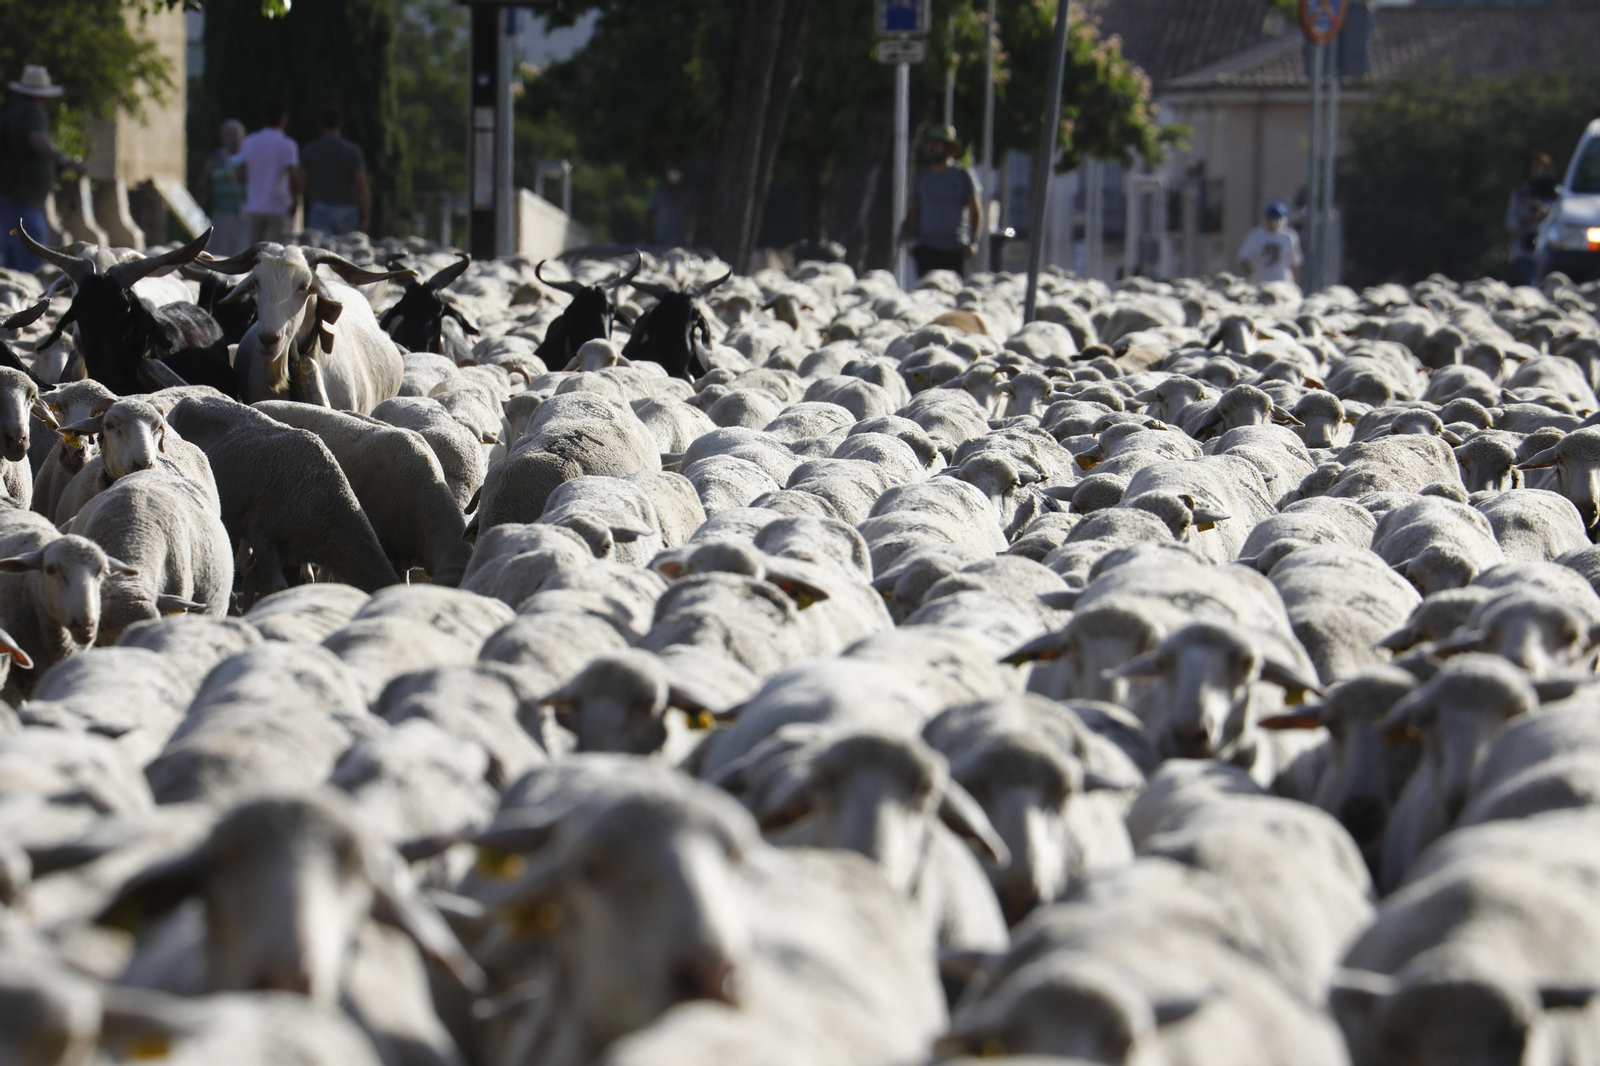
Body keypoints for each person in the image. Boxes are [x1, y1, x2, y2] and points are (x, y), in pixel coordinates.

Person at [0, 66, 80, 272]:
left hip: (9, 195)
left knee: (10, 261)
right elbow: (37, 140)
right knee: (32, 259)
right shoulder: (32, 112)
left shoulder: (10, 109)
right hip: (25, 198)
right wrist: (64, 160)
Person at [898, 125, 981, 279]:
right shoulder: (921, 177)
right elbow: (913, 211)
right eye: (930, 143)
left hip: (955, 249)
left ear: (948, 148)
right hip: (926, 248)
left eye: (937, 144)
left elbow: (975, 211)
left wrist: (973, 242)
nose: (932, 148)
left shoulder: (963, 176)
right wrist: (903, 232)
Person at [236, 102, 302, 245]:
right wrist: (295, 200)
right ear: (283, 120)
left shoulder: (249, 141)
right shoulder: (288, 144)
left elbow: (240, 174)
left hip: (254, 205)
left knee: (253, 252)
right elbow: (293, 176)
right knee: (275, 252)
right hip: (278, 206)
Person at [301, 107, 369, 236]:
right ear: (341, 124)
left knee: (321, 252)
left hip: (320, 207)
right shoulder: (353, 151)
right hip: (347, 208)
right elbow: (362, 185)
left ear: (321, 124)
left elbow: (302, 184)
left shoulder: (311, 150)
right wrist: (365, 217)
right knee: (346, 252)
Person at [1506, 152, 1559, 287]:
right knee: (1529, 286)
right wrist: (1531, 218)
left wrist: (1546, 212)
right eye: (1534, 167)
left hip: (1550, 249)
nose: (1538, 171)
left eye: (1542, 167)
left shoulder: (1558, 194)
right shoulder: (1521, 193)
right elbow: (1511, 223)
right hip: (1526, 250)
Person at [200, 119, 248, 256]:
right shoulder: (215, 158)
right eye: (229, 135)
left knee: (241, 250)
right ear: (223, 137)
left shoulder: (248, 158)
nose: (233, 139)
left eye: (236, 135)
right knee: (220, 250)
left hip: (242, 214)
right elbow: (205, 181)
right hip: (220, 212)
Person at [1237, 201, 1302, 285]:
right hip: (1260, 283)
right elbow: (1244, 257)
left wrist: (1295, 282)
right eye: (1272, 218)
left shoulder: (1290, 236)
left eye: (1278, 218)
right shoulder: (1255, 235)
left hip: (1283, 283)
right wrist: (1250, 273)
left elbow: (1295, 262)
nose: (1275, 222)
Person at [644, 163, 697, 248]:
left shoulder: (689, 192)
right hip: (660, 242)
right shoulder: (659, 190)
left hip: (682, 244)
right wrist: (648, 238)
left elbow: (695, 215)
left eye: (677, 168)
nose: (674, 172)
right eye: (671, 168)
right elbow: (649, 213)